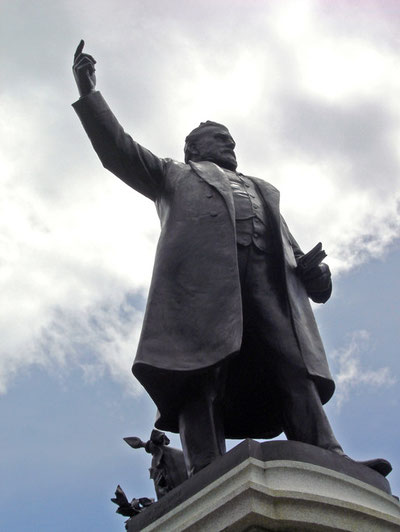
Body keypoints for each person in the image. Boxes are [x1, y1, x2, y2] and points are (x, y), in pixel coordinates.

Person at [72, 41, 391, 478]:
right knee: (201, 373)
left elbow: (299, 260)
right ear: (193, 149)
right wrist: (89, 93)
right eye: (221, 139)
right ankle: (205, 467)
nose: (231, 145)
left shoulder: (264, 190)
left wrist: (316, 275)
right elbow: (118, 150)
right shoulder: (173, 175)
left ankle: (328, 456)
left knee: (293, 366)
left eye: (233, 140)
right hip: (203, 291)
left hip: (269, 290)